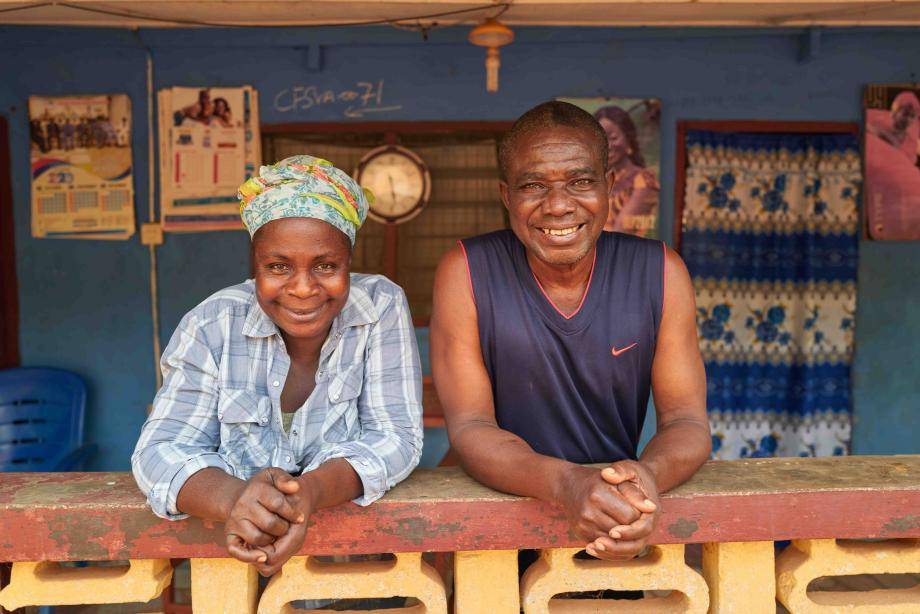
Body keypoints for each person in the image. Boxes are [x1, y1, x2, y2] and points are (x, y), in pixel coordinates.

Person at [431, 101, 710, 565]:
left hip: (615, 509)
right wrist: (567, 484)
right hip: (493, 510)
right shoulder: (466, 270)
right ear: (506, 195)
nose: (558, 205)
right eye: (533, 185)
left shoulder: (660, 271)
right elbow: (470, 427)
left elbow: (687, 422)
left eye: (580, 182)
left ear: (609, 186)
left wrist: (646, 478)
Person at [132, 155, 424, 576]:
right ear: (255, 265)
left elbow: (396, 436)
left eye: (326, 266)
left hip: (347, 571)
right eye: (278, 267)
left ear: (349, 262)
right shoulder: (212, 324)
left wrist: (312, 490)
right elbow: (159, 451)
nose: (303, 288)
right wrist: (236, 500)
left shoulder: (379, 307)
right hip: (233, 565)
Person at [594, 105, 659, 237]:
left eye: (613, 138)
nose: (608, 145)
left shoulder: (644, 182)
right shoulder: (594, 181)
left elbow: (619, 237)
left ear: (628, 140)